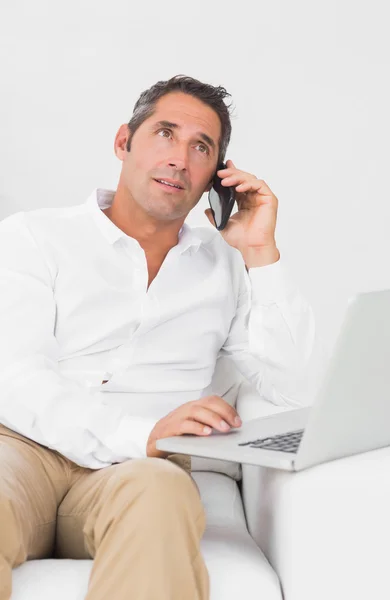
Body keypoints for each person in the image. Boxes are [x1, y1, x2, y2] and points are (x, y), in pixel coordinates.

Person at [0, 74, 316, 600]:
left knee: (161, 494)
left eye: (201, 147)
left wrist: (260, 252)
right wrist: (138, 431)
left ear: (216, 175)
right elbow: (13, 372)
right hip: (21, 451)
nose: (180, 158)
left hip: (143, 472)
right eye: (165, 134)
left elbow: (291, 387)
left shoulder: (227, 265)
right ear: (124, 142)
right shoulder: (33, 237)